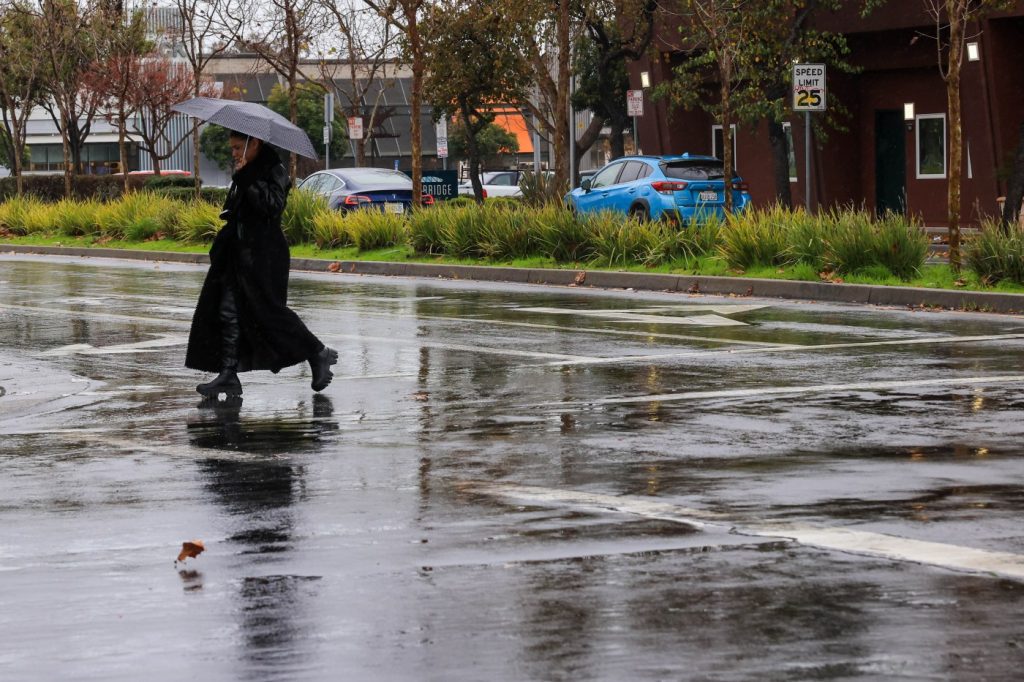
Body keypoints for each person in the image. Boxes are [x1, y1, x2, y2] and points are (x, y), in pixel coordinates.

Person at [186, 130, 337, 398]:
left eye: (236, 147)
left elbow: (271, 207)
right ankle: (228, 373)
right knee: (227, 311)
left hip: (264, 254)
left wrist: (245, 176)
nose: (233, 153)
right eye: (231, 148)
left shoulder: (274, 169)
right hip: (237, 251)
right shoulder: (247, 168)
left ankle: (318, 352)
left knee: (269, 312)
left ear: (253, 143)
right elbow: (236, 207)